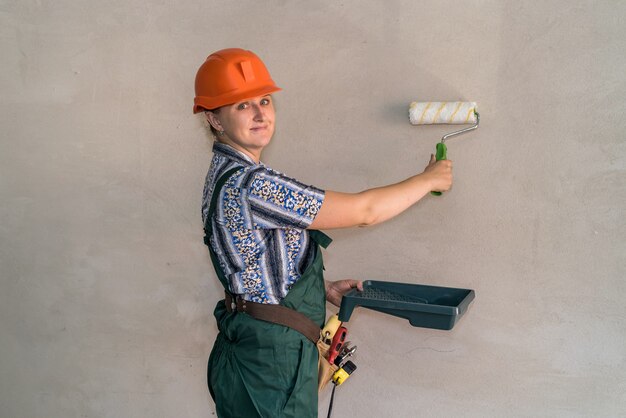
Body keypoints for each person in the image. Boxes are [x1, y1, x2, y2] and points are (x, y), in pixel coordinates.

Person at [194, 48, 452, 418]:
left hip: (254, 348)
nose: (260, 113)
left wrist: (319, 290)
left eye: (264, 101)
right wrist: (428, 180)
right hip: (272, 361)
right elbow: (365, 211)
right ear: (214, 119)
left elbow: (255, 262)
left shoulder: (223, 174)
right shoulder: (254, 185)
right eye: (241, 105)